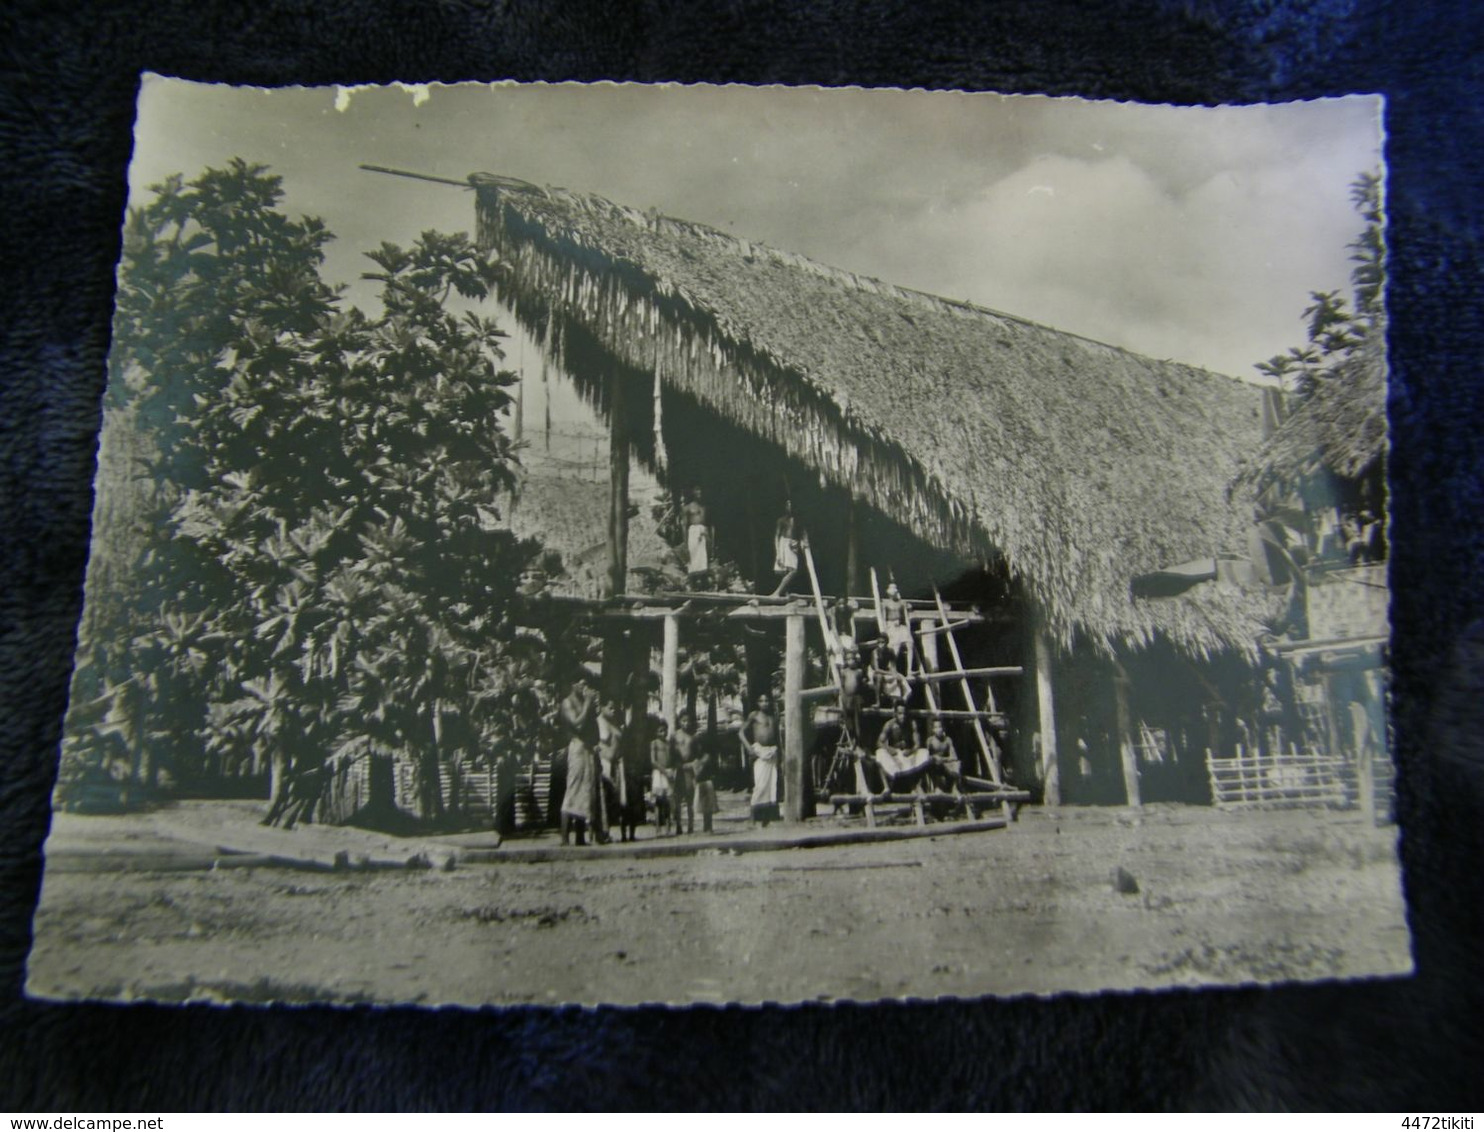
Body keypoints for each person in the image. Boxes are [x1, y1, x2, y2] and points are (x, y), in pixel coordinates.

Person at [558, 674, 604, 846]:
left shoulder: (586, 702)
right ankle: (564, 837)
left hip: (588, 748)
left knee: (586, 792)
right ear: (573, 684)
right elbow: (577, 724)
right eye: (581, 683)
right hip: (577, 746)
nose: (583, 687)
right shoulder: (567, 702)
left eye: (586, 684)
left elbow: (592, 724)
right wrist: (587, 703)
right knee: (573, 789)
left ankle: (579, 836)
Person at [741, 693, 781, 826]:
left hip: (772, 752)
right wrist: (749, 748)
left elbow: (778, 738)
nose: (765, 703)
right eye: (762, 701)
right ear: (758, 703)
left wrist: (781, 755)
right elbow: (740, 732)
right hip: (760, 753)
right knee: (760, 785)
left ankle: (766, 819)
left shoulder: (773, 717)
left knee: (771, 786)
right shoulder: (754, 715)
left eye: (767, 701)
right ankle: (752, 817)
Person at [874, 702, 928, 791]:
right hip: (894, 755)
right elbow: (879, 742)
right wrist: (888, 749)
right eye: (900, 713)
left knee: (924, 753)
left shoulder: (911, 723)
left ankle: (916, 786)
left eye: (904, 713)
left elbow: (917, 743)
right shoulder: (889, 724)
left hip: (907, 754)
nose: (902, 716)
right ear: (895, 713)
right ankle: (886, 787)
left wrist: (911, 750)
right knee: (879, 753)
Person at [671, 711, 699, 834]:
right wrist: (675, 764)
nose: (685, 723)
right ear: (679, 721)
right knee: (677, 798)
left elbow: (695, 754)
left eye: (688, 721)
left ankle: (690, 825)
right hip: (678, 768)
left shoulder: (692, 737)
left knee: (690, 798)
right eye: (683, 721)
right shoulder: (675, 736)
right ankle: (678, 825)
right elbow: (671, 752)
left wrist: (693, 764)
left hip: (688, 769)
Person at [769, 500, 804, 596]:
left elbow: (801, 535)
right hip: (783, 543)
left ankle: (779, 592)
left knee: (793, 570)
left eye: (792, 505)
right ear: (785, 507)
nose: (790, 507)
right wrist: (778, 553)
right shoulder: (781, 520)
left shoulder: (798, 521)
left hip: (793, 544)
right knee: (786, 571)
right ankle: (782, 592)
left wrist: (798, 543)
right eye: (788, 505)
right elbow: (777, 536)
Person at [880, 581, 915, 675]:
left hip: (901, 626)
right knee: (895, 648)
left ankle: (909, 670)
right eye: (891, 588)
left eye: (895, 588)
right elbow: (883, 618)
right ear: (888, 591)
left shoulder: (902, 603)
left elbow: (906, 617)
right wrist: (885, 630)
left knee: (910, 644)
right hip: (891, 626)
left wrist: (908, 628)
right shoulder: (885, 603)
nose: (893, 590)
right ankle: (891, 668)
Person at [688, 734, 720, 835]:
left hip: (707, 782)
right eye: (697, 745)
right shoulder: (695, 759)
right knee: (702, 807)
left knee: (709, 807)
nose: (699, 747)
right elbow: (695, 773)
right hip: (700, 783)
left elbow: (700, 770)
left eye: (700, 744)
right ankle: (706, 827)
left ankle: (709, 827)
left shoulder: (706, 757)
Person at [649, 719, 675, 835]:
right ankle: (658, 827)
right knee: (658, 802)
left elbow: (672, 759)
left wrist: (671, 771)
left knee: (668, 801)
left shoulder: (669, 743)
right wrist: (664, 771)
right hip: (659, 773)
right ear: (655, 732)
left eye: (664, 731)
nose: (663, 733)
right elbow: (653, 761)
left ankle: (668, 826)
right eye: (660, 731)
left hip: (668, 772)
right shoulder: (654, 743)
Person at [682, 488, 711, 588]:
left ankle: (704, 584)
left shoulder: (703, 507)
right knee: (693, 558)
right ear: (693, 493)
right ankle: (693, 584)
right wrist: (685, 544)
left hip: (702, 532)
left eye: (700, 491)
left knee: (703, 559)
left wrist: (707, 535)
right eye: (697, 490)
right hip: (693, 533)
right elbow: (684, 526)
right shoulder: (688, 507)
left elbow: (706, 523)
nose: (699, 493)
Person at [925, 717, 963, 794]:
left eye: (940, 727)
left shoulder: (948, 740)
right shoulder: (930, 740)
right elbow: (926, 756)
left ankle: (954, 787)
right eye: (936, 727)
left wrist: (943, 759)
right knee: (936, 765)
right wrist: (934, 758)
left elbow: (954, 756)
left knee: (957, 764)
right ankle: (938, 787)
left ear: (943, 728)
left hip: (945, 763)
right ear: (933, 729)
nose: (938, 729)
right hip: (934, 764)